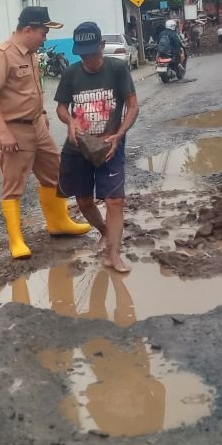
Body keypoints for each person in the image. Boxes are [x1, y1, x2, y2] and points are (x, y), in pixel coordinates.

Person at [0, 7, 91, 260]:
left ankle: (58, 222)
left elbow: (29, 90)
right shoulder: (3, 55)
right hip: (14, 129)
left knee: (55, 172)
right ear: (28, 30)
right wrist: (1, 131)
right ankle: (16, 239)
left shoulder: (31, 54)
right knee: (13, 184)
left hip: (37, 125)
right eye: (43, 32)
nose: (45, 38)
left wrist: (41, 115)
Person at [54, 22, 140, 274]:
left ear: (102, 46)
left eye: (92, 52)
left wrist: (119, 135)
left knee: (115, 201)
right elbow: (61, 107)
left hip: (109, 144)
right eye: (83, 54)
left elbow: (132, 106)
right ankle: (104, 232)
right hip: (78, 146)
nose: (88, 59)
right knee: (83, 200)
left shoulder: (117, 69)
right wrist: (69, 121)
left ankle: (114, 254)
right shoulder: (71, 73)